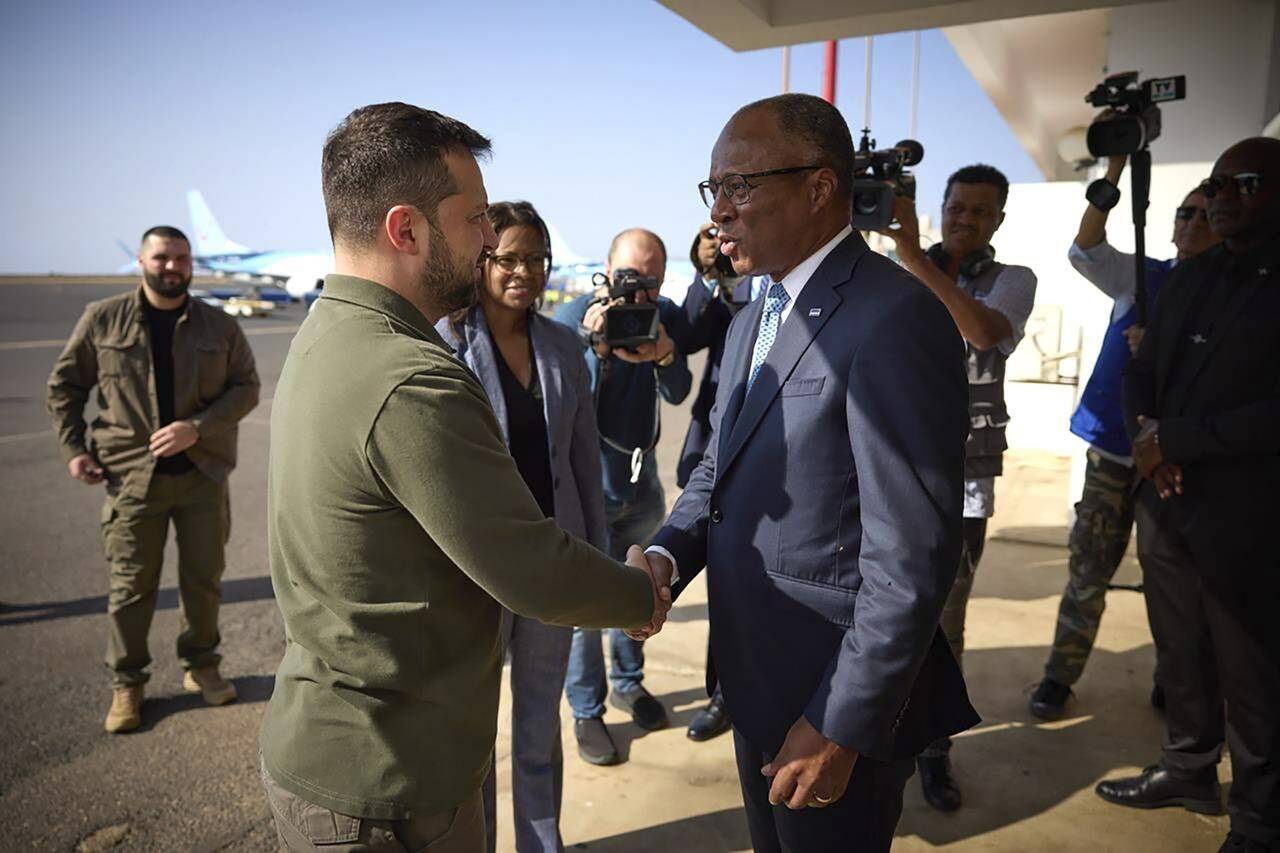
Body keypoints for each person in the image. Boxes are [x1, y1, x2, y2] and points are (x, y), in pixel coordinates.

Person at [258, 102, 671, 853]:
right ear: (405, 229)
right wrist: (640, 593)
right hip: (386, 789)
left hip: (352, 751)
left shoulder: (330, 332)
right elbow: (532, 571)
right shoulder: (410, 375)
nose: (490, 240)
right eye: (475, 218)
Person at [638, 93, 978, 853]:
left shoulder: (896, 318)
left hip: (827, 696)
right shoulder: (752, 314)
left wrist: (839, 721)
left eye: (740, 186)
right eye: (712, 189)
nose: (717, 211)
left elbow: (913, 559)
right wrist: (663, 558)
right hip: (754, 679)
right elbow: (715, 477)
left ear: (821, 186)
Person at [1097, 137, 1280, 853]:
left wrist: (1178, 440)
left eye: (1246, 184)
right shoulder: (1192, 278)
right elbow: (1140, 367)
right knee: (1180, 651)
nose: (1223, 198)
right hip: (1168, 502)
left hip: (1251, 513)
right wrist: (1148, 439)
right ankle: (1188, 767)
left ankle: (1262, 821)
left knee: (1254, 672)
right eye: (1215, 184)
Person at [435, 200, 606, 853]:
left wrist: (596, 561)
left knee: (538, 729)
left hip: (552, 567)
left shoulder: (564, 345)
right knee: (474, 738)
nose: (525, 271)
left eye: (537, 258)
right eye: (509, 257)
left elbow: (584, 462)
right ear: (482, 262)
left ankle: (542, 844)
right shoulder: (447, 343)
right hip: (475, 575)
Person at [46, 225, 259, 733]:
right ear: (141, 261)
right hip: (131, 479)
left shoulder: (218, 325)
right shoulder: (103, 320)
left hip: (203, 476)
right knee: (130, 588)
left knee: (202, 583)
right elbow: (65, 387)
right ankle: (128, 684)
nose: (173, 267)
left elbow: (246, 388)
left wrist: (197, 428)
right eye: (162, 257)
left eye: (182, 258)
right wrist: (74, 449)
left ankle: (202, 667)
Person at [1029, 157, 1221, 721]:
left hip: (1180, 459)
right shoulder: (1143, 276)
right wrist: (1114, 167)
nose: (1191, 224)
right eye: (1184, 213)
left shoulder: (1229, 294)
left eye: (1206, 216)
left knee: (1175, 583)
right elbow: (1084, 246)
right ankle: (1059, 677)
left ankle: (1174, 681)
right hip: (1115, 451)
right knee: (1089, 571)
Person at [878, 164, 1037, 812]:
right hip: (890, 468)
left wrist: (912, 255)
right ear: (939, 207)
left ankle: (934, 752)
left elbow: (981, 333)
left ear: (998, 220)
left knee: (943, 624)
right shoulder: (897, 270)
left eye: (979, 211)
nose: (965, 219)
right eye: (957, 207)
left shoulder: (1013, 281)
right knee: (879, 615)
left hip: (963, 482)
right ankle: (879, 737)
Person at [553, 230, 692, 766]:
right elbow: (568, 406)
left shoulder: (665, 316)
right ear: (606, 271)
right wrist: (595, 348)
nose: (639, 294)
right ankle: (587, 709)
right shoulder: (571, 319)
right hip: (588, 492)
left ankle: (628, 685)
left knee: (640, 593)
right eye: (629, 278)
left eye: (651, 281)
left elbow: (678, 390)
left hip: (642, 487)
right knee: (587, 608)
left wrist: (664, 353)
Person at [665, 223, 761, 743]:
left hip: (783, 466)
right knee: (723, 579)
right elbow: (685, 337)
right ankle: (723, 694)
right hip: (716, 450)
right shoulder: (733, 284)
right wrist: (706, 272)